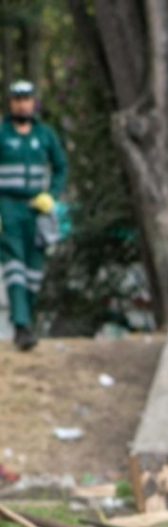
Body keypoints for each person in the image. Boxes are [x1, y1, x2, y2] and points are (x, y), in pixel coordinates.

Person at [0, 80, 67, 352]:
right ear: (10, 103)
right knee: (14, 265)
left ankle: (26, 321)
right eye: (17, 99)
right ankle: (22, 325)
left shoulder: (45, 135)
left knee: (33, 271)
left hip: (37, 209)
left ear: (33, 102)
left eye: (26, 99)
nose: (22, 104)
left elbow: (61, 167)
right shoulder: (2, 133)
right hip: (8, 207)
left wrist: (51, 195)